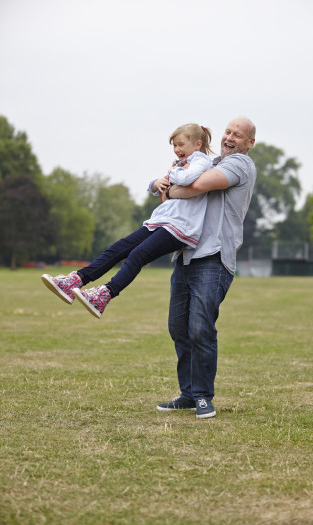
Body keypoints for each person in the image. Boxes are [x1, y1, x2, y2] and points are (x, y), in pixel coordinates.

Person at [41, 123, 213, 318]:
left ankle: (104, 295)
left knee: (138, 255)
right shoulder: (182, 164)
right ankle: (76, 280)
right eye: (174, 145)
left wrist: (173, 172)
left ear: (197, 144)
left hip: (181, 227)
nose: (177, 150)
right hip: (164, 221)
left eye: (181, 144)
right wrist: (156, 183)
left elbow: (185, 178)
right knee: (119, 248)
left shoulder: (201, 161)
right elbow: (160, 187)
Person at [156, 116, 256, 419]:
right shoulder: (208, 160)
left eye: (238, 135)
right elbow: (173, 178)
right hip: (185, 255)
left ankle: (202, 396)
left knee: (200, 328)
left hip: (214, 258)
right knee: (178, 327)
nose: (230, 138)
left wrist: (171, 188)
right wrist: (163, 181)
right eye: (228, 131)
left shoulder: (239, 165)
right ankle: (187, 393)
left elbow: (197, 185)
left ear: (249, 144)